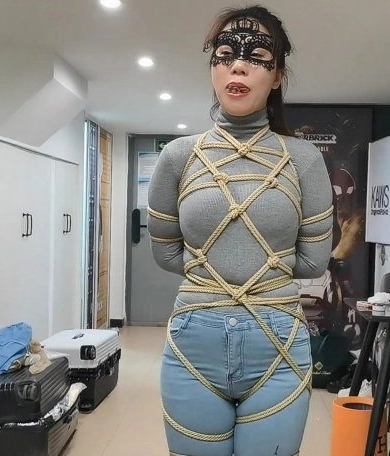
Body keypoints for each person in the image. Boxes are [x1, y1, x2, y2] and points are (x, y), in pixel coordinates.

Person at [147, 5, 333, 456]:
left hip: (279, 352)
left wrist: (219, 271)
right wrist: (256, 270)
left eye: (257, 57)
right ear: (213, 67)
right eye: (226, 54)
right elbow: (163, 252)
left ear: (278, 75)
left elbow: (315, 262)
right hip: (194, 349)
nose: (238, 66)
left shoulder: (304, 159)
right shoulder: (177, 156)